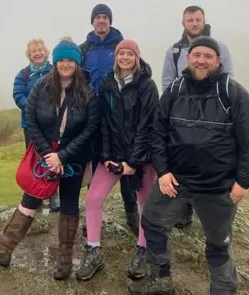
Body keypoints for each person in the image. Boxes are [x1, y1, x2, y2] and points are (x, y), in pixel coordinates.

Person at [129, 36, 249, 295]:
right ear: (188, 58)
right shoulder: (175, 91)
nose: (201, 60)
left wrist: (244, 182)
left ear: (218, 60)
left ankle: (223, 290)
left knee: (218, 243)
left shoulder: (232, 92)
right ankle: (161, 280)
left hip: (218, 187)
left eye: (207, 56)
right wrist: (163, 171)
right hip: (177, 182)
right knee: (152, 222)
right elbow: (157, 133)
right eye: (196, 55)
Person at [0, 36, 101, 281]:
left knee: (70, 204)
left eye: (69, 60)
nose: (65, 64)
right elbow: (31, 120)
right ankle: (4, 249)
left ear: (76, 62)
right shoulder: (41, 86)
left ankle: (64, 261)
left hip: (74, 158)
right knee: (29, 199)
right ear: (55, 62)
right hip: (45, 157)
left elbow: (90, 129)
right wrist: (48, 154)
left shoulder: (87, 92)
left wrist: (62, 156)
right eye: (61, 59)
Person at [75, 40, 159, 282]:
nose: (124, 57)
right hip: (112, 157)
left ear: (137, 58)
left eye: (129, 53)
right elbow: (103, 124)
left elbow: (147, 126)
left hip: (141, 160)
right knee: (93, 198)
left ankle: (143, 250)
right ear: (116, 57)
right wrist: (107, 156)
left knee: (145, 205)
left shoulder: (147, 85)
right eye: (121, 53)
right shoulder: (106, 83)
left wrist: (133, 162)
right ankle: (93, 250)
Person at [161, 5, 235, 229]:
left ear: (203, 21)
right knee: (182, 155)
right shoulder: (174, 51)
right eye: (190, 20)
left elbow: (229, 77)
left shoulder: (221, 47)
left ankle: (208, 208)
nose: (194, 23)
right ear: (183, 23)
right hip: (182, 113)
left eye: (197, 19)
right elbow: (167, 82)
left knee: (209, 155)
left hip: (213, 112)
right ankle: (184, 208)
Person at [79, 3, 139, 236]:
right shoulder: (84, 48)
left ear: (110, 21)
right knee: (93, 163)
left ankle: (131, 211)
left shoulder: (121, 45)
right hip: (92, 113)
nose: (101, 21)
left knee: (124, 160)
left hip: (120, 113)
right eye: (98, 17)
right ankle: (92, 216)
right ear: (92, 22)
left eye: (105, 17)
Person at [12, 38, 60, 213]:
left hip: (53, 125)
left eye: (40, 50)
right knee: (34, 160)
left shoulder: (55, 70)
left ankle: (54, 196)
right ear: (29, 55)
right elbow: (18, 95)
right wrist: (34, 109)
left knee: (52, 158)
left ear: (46, 52)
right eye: (34, 51)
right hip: (31, 125)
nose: (38, 53)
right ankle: (36, 197)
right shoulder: (23, 75)